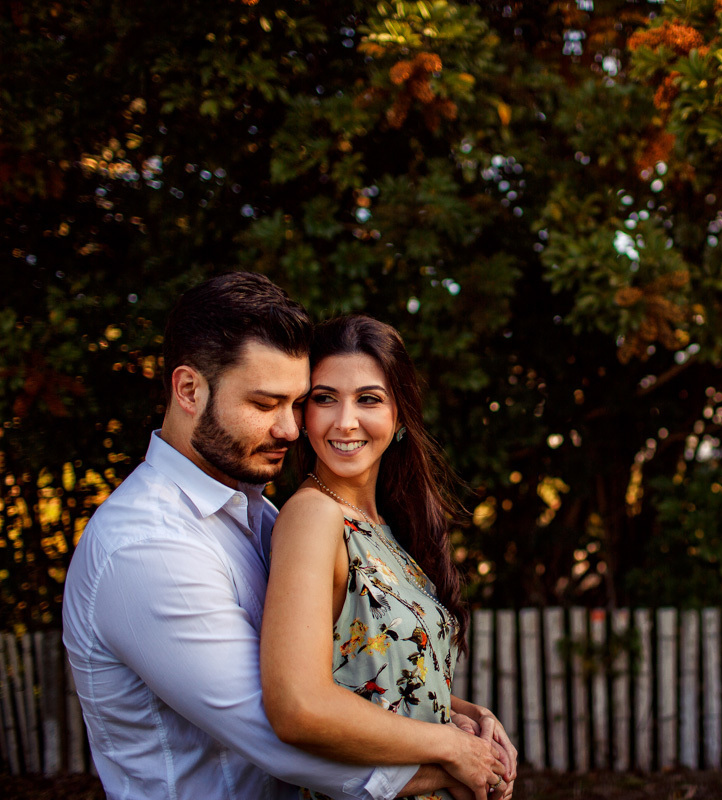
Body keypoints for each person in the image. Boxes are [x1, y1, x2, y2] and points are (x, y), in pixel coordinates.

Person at [63, 272, 507, 800]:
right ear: (188, 390)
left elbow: (346, 672)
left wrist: (459, 716)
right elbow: (286, 730)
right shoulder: (146, 546)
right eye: (265, 404)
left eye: (296, 404)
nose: (291, 430)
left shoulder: (256, 513)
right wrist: (456, 761)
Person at [260, 315, 517, 800]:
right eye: (325, 398)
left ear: (399, 416)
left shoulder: (385, 528)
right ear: (303, 415)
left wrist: (471, 716)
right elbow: (298, 706)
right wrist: (452, 748)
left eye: (368, 399)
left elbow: (380, 677)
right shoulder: (313, 517)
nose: (345, 421)